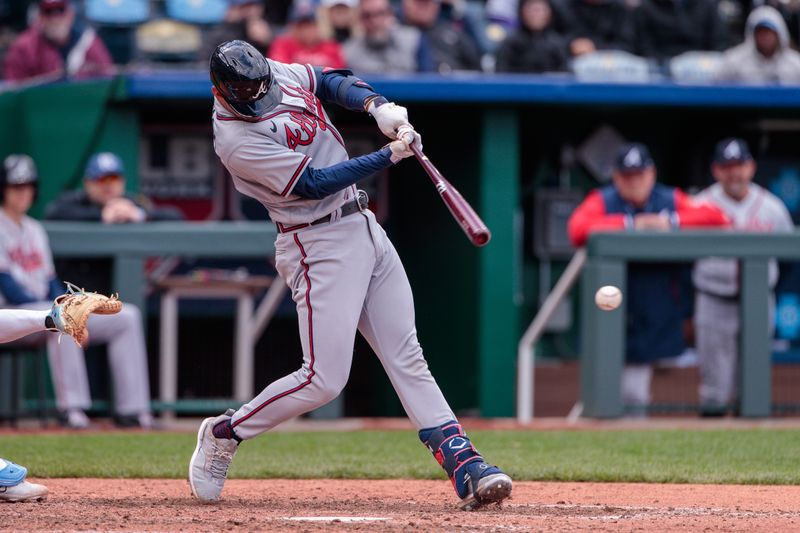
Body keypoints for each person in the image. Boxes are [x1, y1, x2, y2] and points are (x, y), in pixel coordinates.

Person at [188, 40, 512, 511]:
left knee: (407, 354)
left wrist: (376, 105)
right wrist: (389, 156)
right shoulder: (235, 139)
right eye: (252, 94)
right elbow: (312, 183)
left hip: (361, 224)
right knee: (323, 379)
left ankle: (465, 465)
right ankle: (224, 433)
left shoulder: (269, 75)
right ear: (226, 92)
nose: (263, 96)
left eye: (265, 88)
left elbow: (328, 80)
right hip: (314, 241)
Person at [567, 143, 730, 414]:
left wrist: (671, 222)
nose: (635, 181)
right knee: (616, 387)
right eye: (627, 175)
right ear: (617, 177)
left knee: (638, 390)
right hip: (614, 307)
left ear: (651, 173)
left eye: (640, 174)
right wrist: (631, 224)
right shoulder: (604, 199)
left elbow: (716, 217)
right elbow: (577, 228)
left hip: (660, 306)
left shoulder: (669, 199)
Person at [0, 154, 153, 429]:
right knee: (63, 319)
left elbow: (49, 281)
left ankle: (135, 411)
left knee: (127, 317)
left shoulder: (34, 229)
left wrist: (69, 302)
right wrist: (61, 310)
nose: (23, 192)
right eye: (15, 186)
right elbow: (8, 287)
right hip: (12, 314)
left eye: (28, 186)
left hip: (43, 306)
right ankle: (73, 411)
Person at [693, 138, 794, 416]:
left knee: (754, 380)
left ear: (751, 167)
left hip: (759, 299)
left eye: (739, 165)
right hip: (713, 298)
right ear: (716, 170)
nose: (734, 173)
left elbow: (788, 260)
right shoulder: (700, 205)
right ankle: (707, 448)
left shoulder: (772, 207)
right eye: (727, 167)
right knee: (713, 385)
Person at [45, 152, 183, 293]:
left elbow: (176, 216)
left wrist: (139, 215)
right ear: (87, 183)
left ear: (122, 181)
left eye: (114, 178)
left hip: (115, 299)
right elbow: (53, 213)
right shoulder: (74, 202)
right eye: (101, 179)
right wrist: (101, 216)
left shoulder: (129, 204)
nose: (108, 185)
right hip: (74, 297)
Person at [3, 0, 114, 83]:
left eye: (60, 11)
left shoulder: (88, 41)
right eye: (48, 12)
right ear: (40, 18)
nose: (55, 19)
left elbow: (108, 78)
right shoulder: (24, 48)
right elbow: (12, 90)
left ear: (70, 15)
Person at [717, 6, 800, 84]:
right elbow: (716, 89)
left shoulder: (796, 64)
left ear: (779, 34)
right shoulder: (732, 63)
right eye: (760, 33)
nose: (765, 37)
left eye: (769, 33)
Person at [343, 0, 430, 74]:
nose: (374, 21)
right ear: (359, 19)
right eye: (367, 16)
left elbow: (428, 83)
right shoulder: (348, 52)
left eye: (380, 13)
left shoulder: (413, 40)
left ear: (390, 14)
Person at [399, 0, 482, 72]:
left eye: (428, 3)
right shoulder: (392, 34)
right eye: (419, 2)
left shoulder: (453, 33)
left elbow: (478, 71)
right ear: (405, 3)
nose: (423, 8)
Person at [634, 0, 728, 62]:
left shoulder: (707, 6)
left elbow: (720, 43)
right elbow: (644, 46)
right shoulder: (646, 8)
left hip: (701, 67)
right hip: (660, 68)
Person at [495, 0, 568, 73]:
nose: (536, 15)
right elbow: (501, 74)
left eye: (540, 10)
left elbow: (564, 75)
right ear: (522, 12)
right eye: (532, 10)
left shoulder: (557, 44)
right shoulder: (509, 44)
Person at [267, 2, 346, 67]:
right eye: (300, 26)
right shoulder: (282, 44)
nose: (305, 31)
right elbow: (279, 70)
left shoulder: (331, 46)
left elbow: (340, 74)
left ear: (317, 26)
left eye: (309, 25)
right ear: (292, 27)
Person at [550, 0, 635, 58]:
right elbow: (551, 38)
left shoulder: (618, 9)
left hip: (610, 67)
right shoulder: (562, 7)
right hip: (567, 65)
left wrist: (596, 48)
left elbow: (628, 46)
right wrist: (571, 45)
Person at [200, 0, 272, 62]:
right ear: (232, 9)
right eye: (244, 7)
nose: (250, 11)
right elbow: (204, 63)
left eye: (253, 6)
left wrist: (267, 43)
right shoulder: (218, 33)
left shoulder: (267, 29)